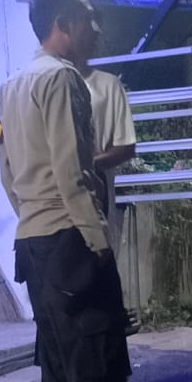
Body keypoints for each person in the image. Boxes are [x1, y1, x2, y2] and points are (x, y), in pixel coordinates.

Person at [0, 0, 163, 382]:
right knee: (99, 366)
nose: (97, 30)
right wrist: (97, 242)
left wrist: (32, 217)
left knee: (58, 370)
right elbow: (74, 173)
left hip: (34, 245)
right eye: (89, 20)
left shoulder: (11, 86)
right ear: (63, 24)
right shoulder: (63, 80)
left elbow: (7, 174)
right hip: (71, 240)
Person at [78, 57, 139, 330]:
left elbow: (125, 147)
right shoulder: (40, 82)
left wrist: (87, 165)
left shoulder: (107, 85)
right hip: (55, 201)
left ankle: (110, 321)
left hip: (96, 190)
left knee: (100, 262)